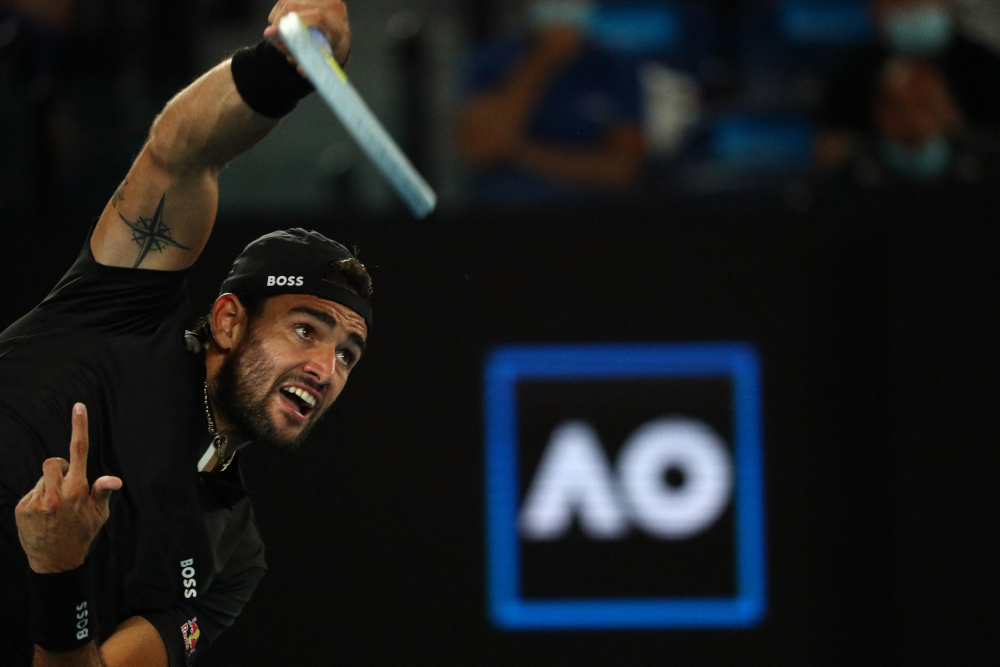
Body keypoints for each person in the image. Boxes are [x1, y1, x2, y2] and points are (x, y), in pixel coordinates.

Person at [0, 1, 372, 666]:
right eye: (307, 329)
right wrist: (280, 72)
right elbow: (180, 152)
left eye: (347, 353)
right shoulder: (125, 308)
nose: (326, 366)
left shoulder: (232, 558)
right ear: (228, 320)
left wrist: (58, 571)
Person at [457, 0, 645, 206]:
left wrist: (521, 152)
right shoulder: (491, 60)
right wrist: (543, 60)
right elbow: (480, 148)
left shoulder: (615, 68)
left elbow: (622, 171)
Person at [816, 0, 1000, 176]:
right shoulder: (852, 71)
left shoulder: (984, 66)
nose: (914, 122)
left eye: (926, 107)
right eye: (899, 2)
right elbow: (830, 149)